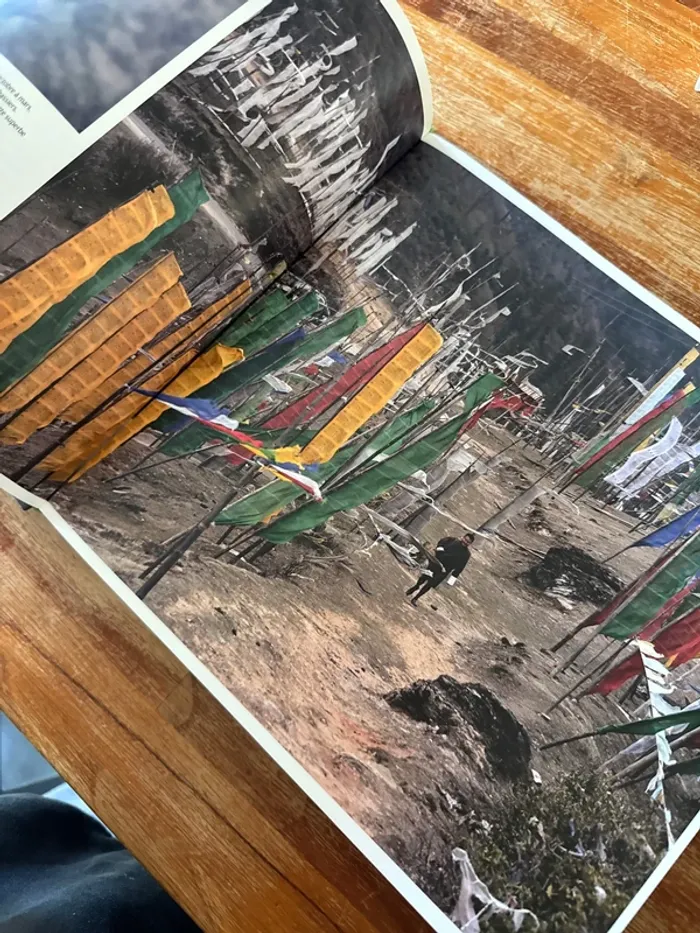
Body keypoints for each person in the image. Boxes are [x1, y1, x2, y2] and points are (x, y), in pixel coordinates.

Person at [406, 533, 475, 606]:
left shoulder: (466, 554)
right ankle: (416, 586)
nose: (465, 542)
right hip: (436, 563)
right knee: (423, 577)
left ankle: (416, 598)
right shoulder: (452, 540)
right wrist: (439, 551)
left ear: (470, 544)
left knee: (430, 584)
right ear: (463, 537)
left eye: (468, 542)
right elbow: (441, 542)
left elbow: (461, 566)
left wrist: (452, 580)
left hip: (444, 570)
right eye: (465, 539)